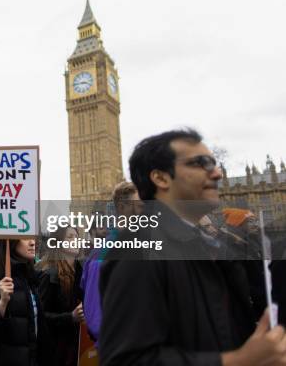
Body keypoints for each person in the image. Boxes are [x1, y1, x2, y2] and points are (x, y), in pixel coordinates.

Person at [99, 129, 286, 365]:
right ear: (161, 178)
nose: (217, 173)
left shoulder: (211, 245)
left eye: (214, 164)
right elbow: (125, 359)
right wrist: (236, 361)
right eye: (200, 164)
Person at [0, 238, 50, 366]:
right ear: (10, 241)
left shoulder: (27, 275)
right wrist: (2, 304)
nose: (32, 242)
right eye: (25, 238)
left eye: (33, 237)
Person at [38, 226, 83, 366]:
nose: (75, 240)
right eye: (70, 237)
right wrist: (70, 317)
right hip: (56, 350)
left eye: (76, 237)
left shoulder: (82, 272)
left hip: (78, 346)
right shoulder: (49, 275)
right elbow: (41, 316)